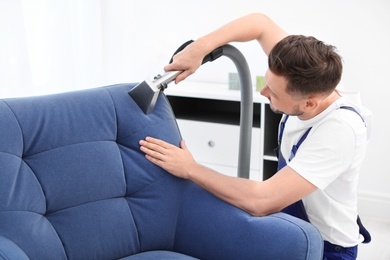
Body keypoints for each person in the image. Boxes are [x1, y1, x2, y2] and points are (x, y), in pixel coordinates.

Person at [139, 13, 371, 260]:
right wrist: (200, 48)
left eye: (273, 92)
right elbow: (260, 24)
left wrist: (191, 169)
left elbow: (262, 200)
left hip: (326, 248)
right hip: (289, 225)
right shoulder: (306, 72)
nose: (263, 91)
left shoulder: (339, 132)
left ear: (310, 103)